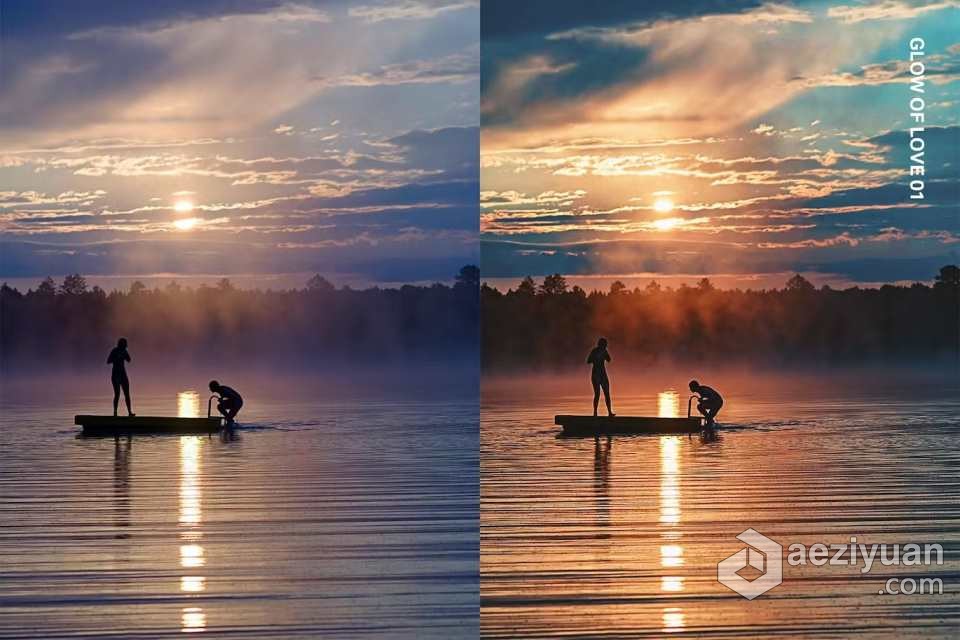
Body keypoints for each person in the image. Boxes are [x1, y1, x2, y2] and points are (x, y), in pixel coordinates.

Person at [586, 338, 614, 417]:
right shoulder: (594, 351)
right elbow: (588, 361)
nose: (605, 346)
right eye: (604, 345)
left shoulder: (604, 351)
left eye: (606, 345)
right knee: (597, 394)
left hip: (603, 374)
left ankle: (609, 412)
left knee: (607, 393)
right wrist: (596, 357)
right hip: (595, 375)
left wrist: (605, 354)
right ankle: (595, 413)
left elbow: (609, 360)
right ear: (600, 344)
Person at [107, 338, 134, 417]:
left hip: (123, 375)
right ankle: (115, 412)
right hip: (115, 375)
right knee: (117, 394)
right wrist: (116, 358)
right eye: (124, 344)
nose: (125, 346)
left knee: (127, 394)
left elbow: (129, 360)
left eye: (125, 345)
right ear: (120, 344)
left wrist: (124, 355)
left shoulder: (124, 351)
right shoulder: (114, 351)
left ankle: (129, 412)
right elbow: (108, 361)